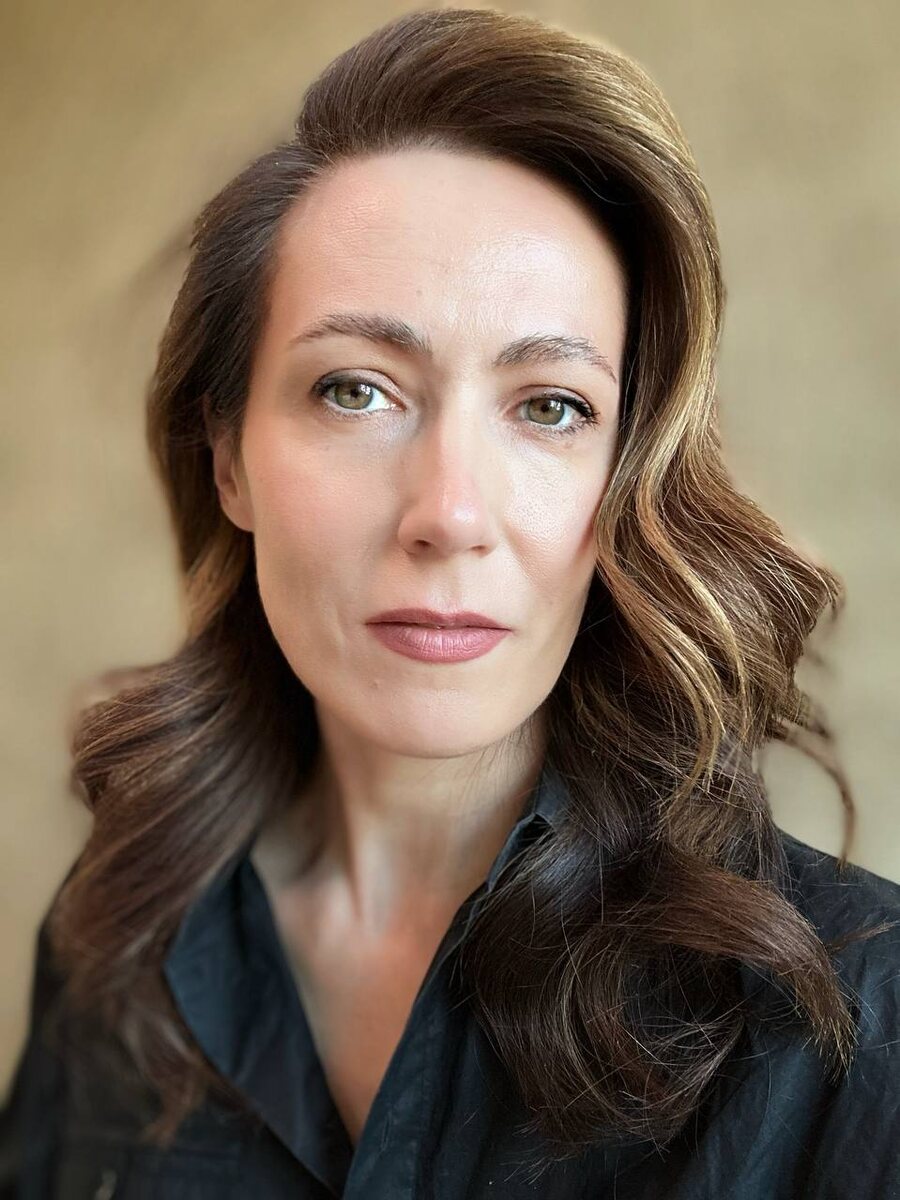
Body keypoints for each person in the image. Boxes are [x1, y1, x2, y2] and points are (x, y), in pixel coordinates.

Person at [2, 7, 899, 1198]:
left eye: (551, 407)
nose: (451, 512)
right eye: (356, 390)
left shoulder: (861, 1019)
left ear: (627, 476)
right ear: (227, 459)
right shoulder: (119, 925)